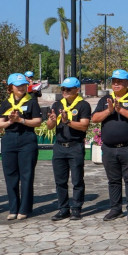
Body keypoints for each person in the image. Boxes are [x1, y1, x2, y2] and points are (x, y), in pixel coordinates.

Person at [91, 69, 128, 222]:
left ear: (127, 83)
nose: (116, 84)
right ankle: (115, 209)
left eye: (120, 81)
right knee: (113, 180)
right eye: (114, 81)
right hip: (109, 148)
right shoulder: (105, 99)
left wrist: (120, 109)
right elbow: (95, 118)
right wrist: (109, 111)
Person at [0, 73, 42, 220]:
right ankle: (13, 208)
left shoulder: (32, 101)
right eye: (17, 86)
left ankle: (25, 209)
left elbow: (37, 121)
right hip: (9, 139)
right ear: (11, 87)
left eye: (23, 85)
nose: (21, 88)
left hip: (26, 139)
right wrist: (11, 121)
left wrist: (21, 120)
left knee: (26, 175)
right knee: (10, 175)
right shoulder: (6, 103)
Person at [45, 77, 91, 221]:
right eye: (63, 88)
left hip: (75, 146)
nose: (64, 91)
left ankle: (76, 209)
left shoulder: (83, 105)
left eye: (68, 89)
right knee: (60, 181)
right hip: (59, 146)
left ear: (77, 90)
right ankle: (63, 209)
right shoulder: (57, 104)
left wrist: (67, 121)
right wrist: (51, 121)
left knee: (77, 180)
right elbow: (49, 127)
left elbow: (84, 126)